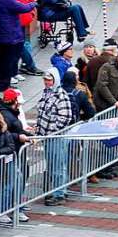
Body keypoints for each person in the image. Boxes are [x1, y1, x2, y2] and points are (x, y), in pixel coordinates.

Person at [37, 67, 76, 206]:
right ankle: (60, 190)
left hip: (56, 137)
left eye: (49, 80)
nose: (47, 82)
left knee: (57, 166)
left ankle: (59, 194)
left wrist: (51, 130)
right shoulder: (46, 93)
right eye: (45, 80)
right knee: (56, 165)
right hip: (48, 136)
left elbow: (65, 117)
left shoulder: (61, 95)